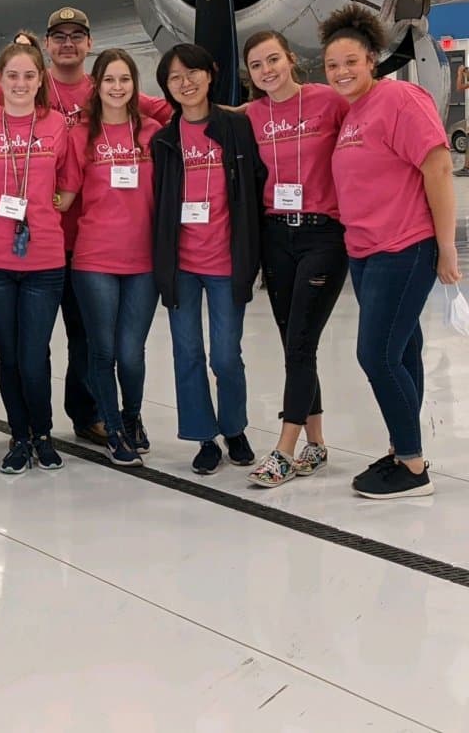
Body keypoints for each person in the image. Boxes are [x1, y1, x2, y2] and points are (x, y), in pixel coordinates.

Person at [0, 8, 174, 448]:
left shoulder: (106, 84)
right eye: (58, 36)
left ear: (89, 44)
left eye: (77, 36)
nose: (68, 43)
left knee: (87, 338)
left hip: (90, 241)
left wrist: (243, 113)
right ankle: (32, 422)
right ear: (45, 45)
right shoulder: (24, 81)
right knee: (32, 345)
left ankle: (88, 414)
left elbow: (168, 111)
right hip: (39, 241)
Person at [320, 4, 461, 499]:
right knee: (403, 350)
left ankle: (414, 467)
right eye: (332, 65)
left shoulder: (401, 98)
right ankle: (404, 447)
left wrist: (447, 248)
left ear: (373, 59)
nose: (340, 72)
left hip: (404, 248)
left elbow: (438, 168)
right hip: (366, 252)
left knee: (376, 354)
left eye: (350, 62)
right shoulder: (354, 113)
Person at [150, 43, 267, 475]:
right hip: (181, 265)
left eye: (192, 73)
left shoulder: (236, 127)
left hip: (225, 263)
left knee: (224, 355)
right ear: (167, 86)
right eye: (175, 77)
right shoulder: (163, 139)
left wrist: (254, 255)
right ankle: (203, 436)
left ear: (210, 74)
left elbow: (256, 186)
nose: (186, 83)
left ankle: (234, 426)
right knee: (187, 353)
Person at [241, 31, 350, 488]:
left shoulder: (328, 101)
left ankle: (284, 450)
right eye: (257, 65)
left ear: (291, 59)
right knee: (294, 344)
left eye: (273, 60)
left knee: (302, 343)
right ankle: (317, 444)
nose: (267, 70)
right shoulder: (250, 116)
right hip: (276, 235)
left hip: (323, 235)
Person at [0, 43, 75, 474]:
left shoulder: (58, 125)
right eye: (13, 76)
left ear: (40, 79)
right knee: (8, 355)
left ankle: (42, 432)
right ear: (0, 79)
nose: (21, 84)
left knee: (34, 353)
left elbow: (68, 180)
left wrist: (44, 208)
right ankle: (19, 435)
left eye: (29, 76)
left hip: (44, 259)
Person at [64, 49, 162, 467]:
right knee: (101, 350)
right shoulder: (79, 135)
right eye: (109, 81)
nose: (117, 88)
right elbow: (65, 196)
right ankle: (114, 430)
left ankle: (133, 415)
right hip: (94, 260)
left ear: (134, 85)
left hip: (144, 261)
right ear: (96, 86)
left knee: (131, 352)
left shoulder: (154, 134)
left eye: (125, 80)